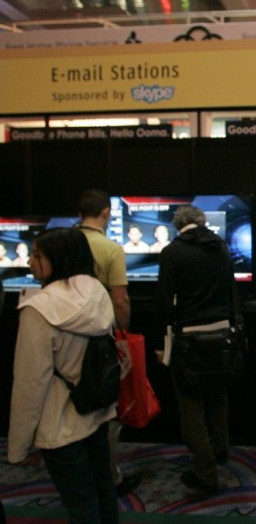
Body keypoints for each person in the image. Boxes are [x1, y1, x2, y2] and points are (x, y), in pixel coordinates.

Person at [8, 228, 119, 523]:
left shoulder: (38, 309)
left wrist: (19, 446)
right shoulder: (97, 292)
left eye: (36, 255)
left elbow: (30, 382)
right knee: (103, 490)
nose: (30, 262)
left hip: (58, 424)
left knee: (80, 504)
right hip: (97, 411)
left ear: (58, 258)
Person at [157, 206, 234, 493]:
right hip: (223, 335)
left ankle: (206, 475)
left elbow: (164, 302)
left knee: (191, 407)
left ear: (178, 225)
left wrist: (160, 346)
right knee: (217, 396)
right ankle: (221, 450)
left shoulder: (172, 252)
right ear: (202, 223)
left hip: (189, 339)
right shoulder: (221, 246)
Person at [77, 189, 139, 497]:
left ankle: (80, 473)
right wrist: (122, 334)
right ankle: (109, 477)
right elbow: (121, 300)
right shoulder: (111, 249)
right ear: (106, 213)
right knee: (107, 407)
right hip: (101, 338)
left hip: (62, 336)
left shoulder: (61, 243)